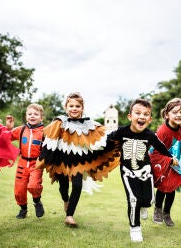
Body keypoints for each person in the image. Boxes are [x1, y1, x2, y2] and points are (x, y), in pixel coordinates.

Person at [36, 92, 120, 228]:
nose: (74, 108)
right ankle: (65, 200)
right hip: (61, 161)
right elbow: (45, 135)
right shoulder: (59, 122)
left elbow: (105, 134)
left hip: (78, 162)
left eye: (77, 106)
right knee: (63, 187)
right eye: (71, 106)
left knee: (77, 186)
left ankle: (69, 215)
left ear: (82, 108)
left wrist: (122, 134)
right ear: (66, 107)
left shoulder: (90, 124)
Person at [107, 99, 178, 242]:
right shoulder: (122, 131)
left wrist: (171, 158)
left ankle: (143, 205)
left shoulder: (150, 135)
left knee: (147, 201)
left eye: (146, 114)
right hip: (127, 171)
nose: (142, 117)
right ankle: (135, 228)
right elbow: (107, 141)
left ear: (150, 119)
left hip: (145, 170)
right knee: (133, 199)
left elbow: (161, 147)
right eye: (138, 113)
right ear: (129, 116)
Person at [150, 98, 181, 227]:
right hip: (163, 163)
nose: (179, 115)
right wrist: (168, 160)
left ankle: (167, 213)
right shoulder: (163, 131)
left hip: (176, 164)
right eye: (175, 112)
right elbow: (155, 151)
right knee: (163, 188)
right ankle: (158, 209)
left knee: (172, 189)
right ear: (167, 115)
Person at [6, 104, 45, 219]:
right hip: (22, 163)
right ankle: (23, 209)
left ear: (41, 117)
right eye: (30, 114)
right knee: (19, 190)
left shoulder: (44, 132)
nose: (32, 116)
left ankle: (37, 202)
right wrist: (8, 128)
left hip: (36, 164)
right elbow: (6, 137)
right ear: (26, 116)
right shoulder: (21, 129)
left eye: (36, 114)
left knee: (33, 186)